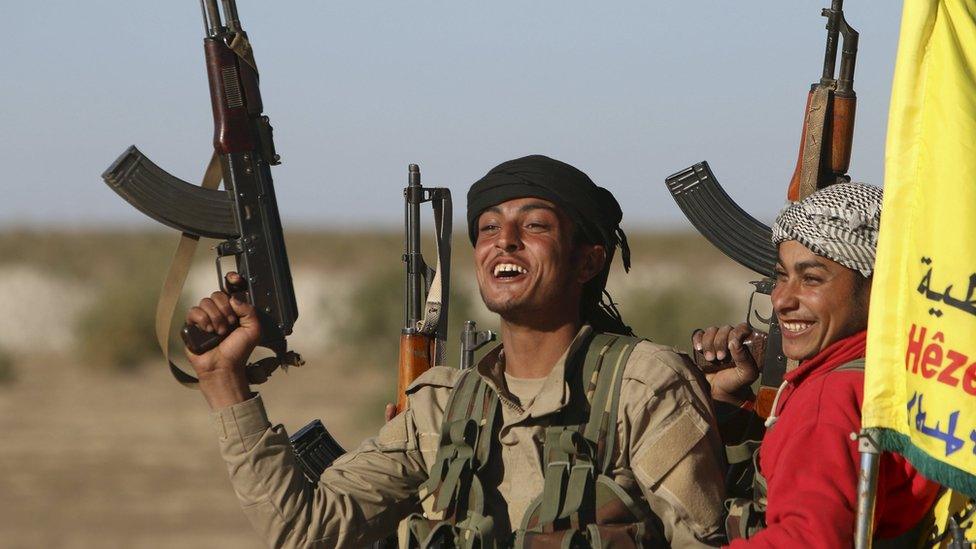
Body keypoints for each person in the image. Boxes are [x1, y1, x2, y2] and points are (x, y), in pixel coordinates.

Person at [186, 155, 728, 548]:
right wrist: (222, 379)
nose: (504, 240)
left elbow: (702, 542)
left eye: (534, 225)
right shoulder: (443, 404)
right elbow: (305, 527)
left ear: (588, 262)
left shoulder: (644, 383)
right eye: (488, 227)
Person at [693, 183, 941, 548]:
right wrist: (730, 403)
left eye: (811, 279)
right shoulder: (901, 372)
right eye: (781, 276)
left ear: (878, 288)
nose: (781, 300)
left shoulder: (832, 397)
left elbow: (809, 539)